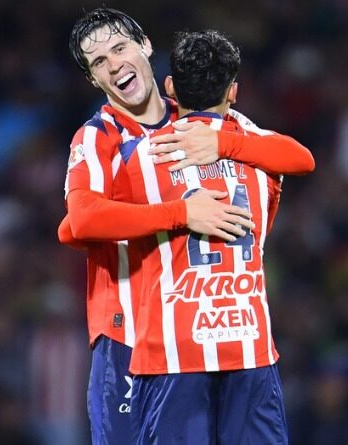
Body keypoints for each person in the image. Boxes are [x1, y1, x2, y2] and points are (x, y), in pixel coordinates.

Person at [61, 8, 314, 444]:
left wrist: (222, 143)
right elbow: (79, 222)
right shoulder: (99, 136)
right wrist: (181, 213)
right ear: (93, 79)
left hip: (205, 332)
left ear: (145, 46)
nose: (114, 64)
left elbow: (297, 157)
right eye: (99, 62)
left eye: (120, 48)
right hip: (128, 336)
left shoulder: (203, 118)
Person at [121, 29, 305, 443]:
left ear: (170, 87)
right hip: (247, 342)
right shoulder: (262, 156)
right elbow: (301, 160)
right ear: (233, 91)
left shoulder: (141, 159)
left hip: (173, 351)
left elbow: (89, 223)